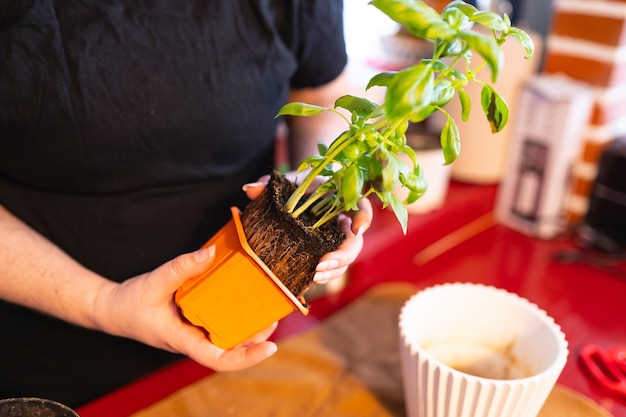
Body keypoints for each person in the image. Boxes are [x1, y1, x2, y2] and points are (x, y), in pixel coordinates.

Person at [0, 1, 372, 408]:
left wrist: (324, 176)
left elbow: (322, 95)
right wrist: (101, 302)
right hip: (53, 371)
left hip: (244, 339)